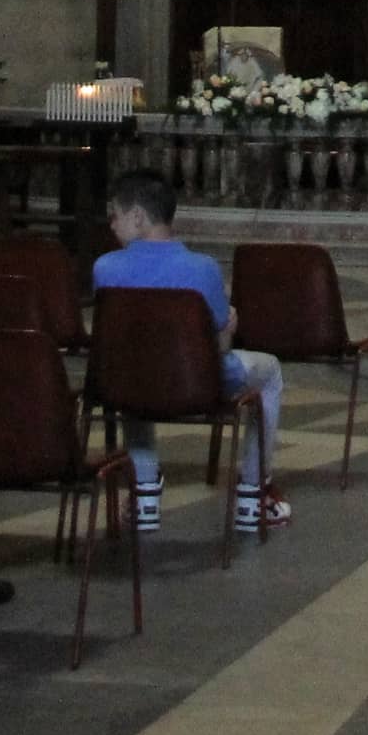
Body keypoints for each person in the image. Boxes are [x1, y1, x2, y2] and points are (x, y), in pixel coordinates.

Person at [93, 170, 287, 532]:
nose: (112, 224)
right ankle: (253, 494)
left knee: (136, 366)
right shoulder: (203, 268)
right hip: (200, 383)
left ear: (137, 216)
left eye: (114, 215)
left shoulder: (105, 268)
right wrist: (229, 325)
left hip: (130, 380)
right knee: (271, 372)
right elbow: (217, 345)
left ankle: (144, 492)